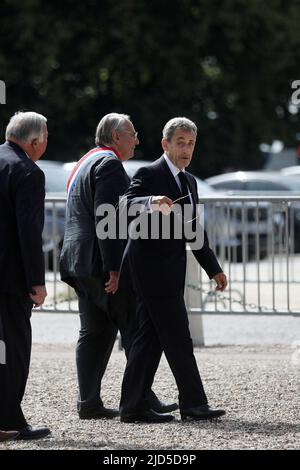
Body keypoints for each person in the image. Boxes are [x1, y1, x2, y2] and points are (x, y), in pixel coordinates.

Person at [60, 113, 177, 419]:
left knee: (95, 331)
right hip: (101, 263)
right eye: (133, 134)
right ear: (116, 138)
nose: (137, 140)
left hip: (77, 260)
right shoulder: (110, 164)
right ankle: (140, 401)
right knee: (136, 329)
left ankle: (89, 402)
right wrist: (115, 268)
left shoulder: (85, 160)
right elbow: (107, 219)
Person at [119, 117, 228, 423]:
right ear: (165, 144)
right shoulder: (148, 173)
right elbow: (125, 205)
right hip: (149, 269)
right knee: (179, 336)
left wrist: (214, 268)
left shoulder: (189, 181)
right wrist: (150, 201)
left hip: (169, 270)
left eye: (191, 143)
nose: (186, 148)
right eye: (180, 142)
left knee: (148, 339)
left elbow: (194, 230)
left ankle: (133, 406)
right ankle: (193, 404)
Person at [0, 111, 50, 439]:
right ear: (34, 141)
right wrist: (37, 281)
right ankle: (8, 421)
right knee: (14, 347)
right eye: (45, 139)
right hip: (9, 278)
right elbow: (28, 232)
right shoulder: (27, 171)